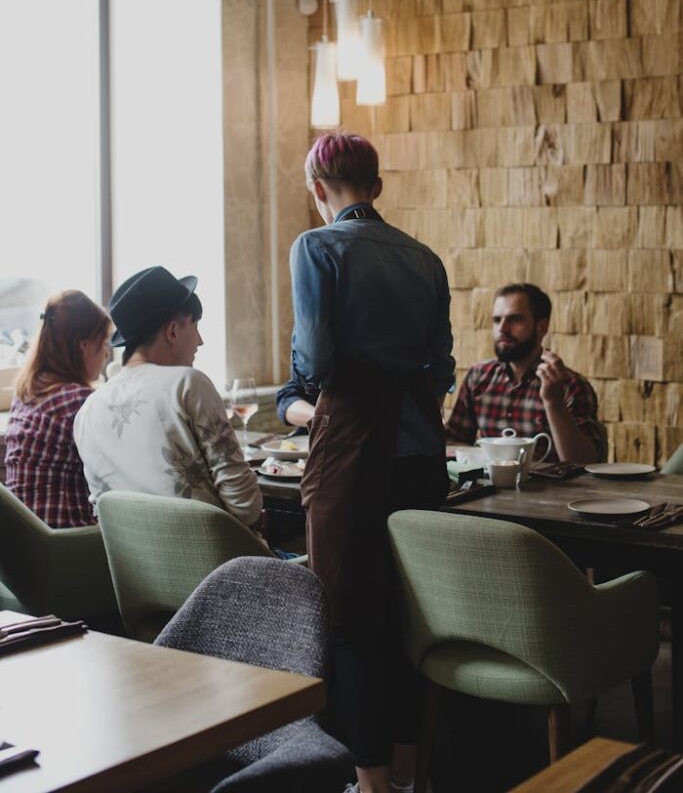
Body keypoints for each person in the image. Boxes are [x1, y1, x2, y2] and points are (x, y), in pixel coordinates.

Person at [290, 132, 455, 793]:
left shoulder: (317, 247)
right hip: (418, 453)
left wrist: (305, 388)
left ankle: (372, 787)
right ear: (377, 186)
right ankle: (410, 776)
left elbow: (316, 360)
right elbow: (442, 369)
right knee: (408, 620)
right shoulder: (425, 258)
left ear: (317, 189)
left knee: (353, 622)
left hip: (352, 453)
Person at [74, 266, 262, 527]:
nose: (200, 341)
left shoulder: (87, 410)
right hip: (221, 563)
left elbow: (104, 512)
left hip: (133, 567)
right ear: (173, 330)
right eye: (195, 326)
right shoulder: (188, 383)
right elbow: (246, 506)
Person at [445, 283, 606, 464]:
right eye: (497, 320)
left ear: (542, 327)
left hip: (553, 491)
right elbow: (453, 442)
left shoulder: (570, 385)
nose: (502, 329)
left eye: (514, 319)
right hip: (491, 489)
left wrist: (554, 402)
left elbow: (585, 463)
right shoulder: (478, 377)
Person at [5, 291, 111, 527]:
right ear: (84, 346)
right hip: (67, 541)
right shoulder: (78, 400)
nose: (106, 354)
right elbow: (115, 473)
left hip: (26, 542)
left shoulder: (26, 393)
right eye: (103, 344)